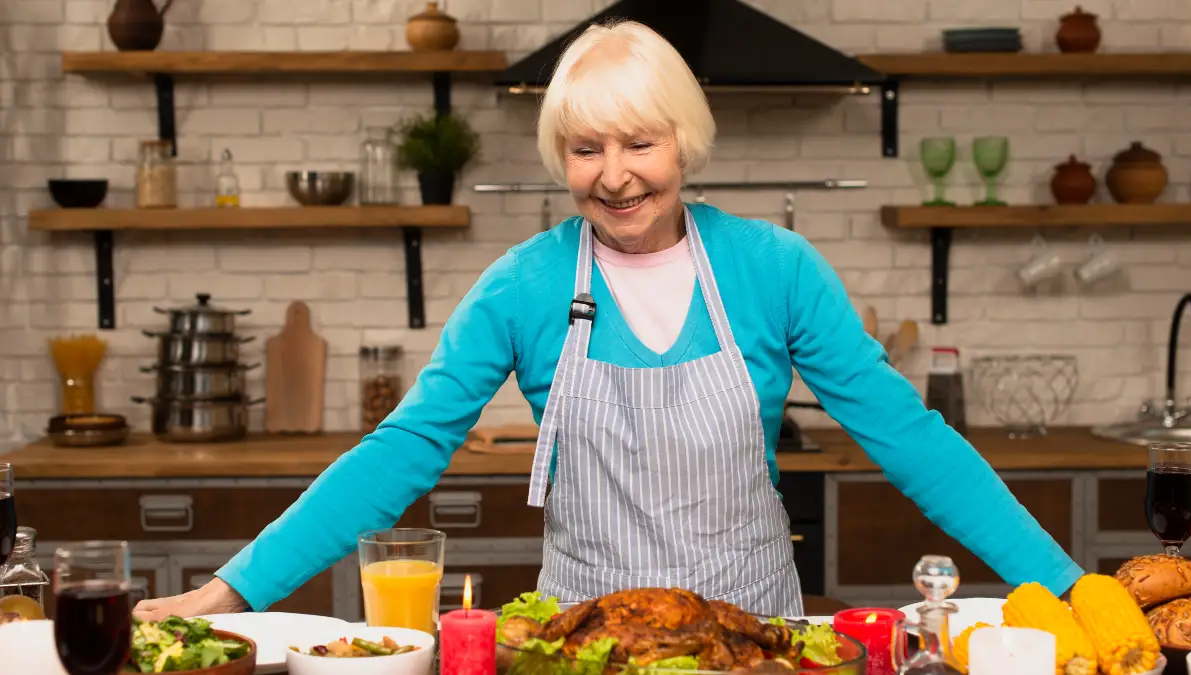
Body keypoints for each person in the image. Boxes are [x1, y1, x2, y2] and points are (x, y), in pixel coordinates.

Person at [134, 20, 1082, 621]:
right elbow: (402, 449)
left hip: (752, 638)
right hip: (583, 640)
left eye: (641, 141)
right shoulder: (522, 285)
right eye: (586, 147)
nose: (615, 173)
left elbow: (911, 438)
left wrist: (1070, 588)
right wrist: (229, 589)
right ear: (561, 155)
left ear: (686, 141)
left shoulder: (774, 270)